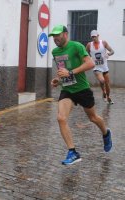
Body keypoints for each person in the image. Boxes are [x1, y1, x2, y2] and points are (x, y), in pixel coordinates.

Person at [48, 25, 112, 165]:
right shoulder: (55, 51)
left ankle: (106, 133)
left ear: (65, 34)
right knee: (61, 118)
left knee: (93, 118)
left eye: (57, 35)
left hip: (82, 89)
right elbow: (63, 69)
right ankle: (73, 152)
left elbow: (90, 63)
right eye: (53, 36)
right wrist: (58, 80)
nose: (55, 38)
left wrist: (70, 73)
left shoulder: (76, 46)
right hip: (67, 90)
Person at [86, 30, 114, 104]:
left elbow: (112, 51)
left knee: (107, 84)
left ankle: (108, 97)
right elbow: (85, 54)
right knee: (102, 81)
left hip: (104, 67)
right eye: (92, 37)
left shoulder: (103, 43)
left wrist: (108, 54)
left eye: (95, 36)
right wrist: (89, 59)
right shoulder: (89, 45)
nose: (94, 38)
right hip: (96, 67)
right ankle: (103, 92)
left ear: (98, 35)